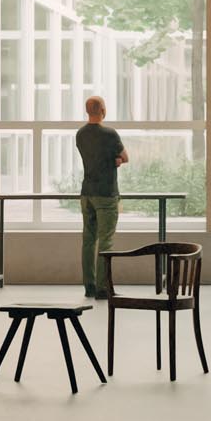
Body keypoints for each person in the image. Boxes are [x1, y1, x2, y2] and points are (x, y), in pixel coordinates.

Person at [75, 95, 127, 300]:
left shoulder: (80, 134)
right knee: (106, 241)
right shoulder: (110, 134)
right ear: (103, 110)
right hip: (106, 194)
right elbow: (126, 156)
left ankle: (89, 287)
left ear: (87, 110)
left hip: (87, 193)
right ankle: (102, 288)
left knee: (88, 240)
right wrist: (116, 159)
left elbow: (93, 157)